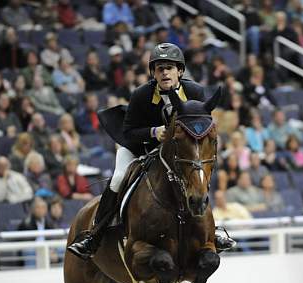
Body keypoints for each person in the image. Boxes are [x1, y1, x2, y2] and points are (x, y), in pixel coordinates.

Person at [68, 43, 234, 259]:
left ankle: (211, 232)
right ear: (153, 73)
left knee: (197, 175)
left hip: (178, 153)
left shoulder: (195, 92)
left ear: (180, 71)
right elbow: (128, 133)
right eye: (159, 68)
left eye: (170, 68)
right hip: (139, 148)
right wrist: (155, 132)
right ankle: (94, 235)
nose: (165, 72)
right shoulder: (141, 94)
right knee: (118, 178)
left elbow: (201, 127)